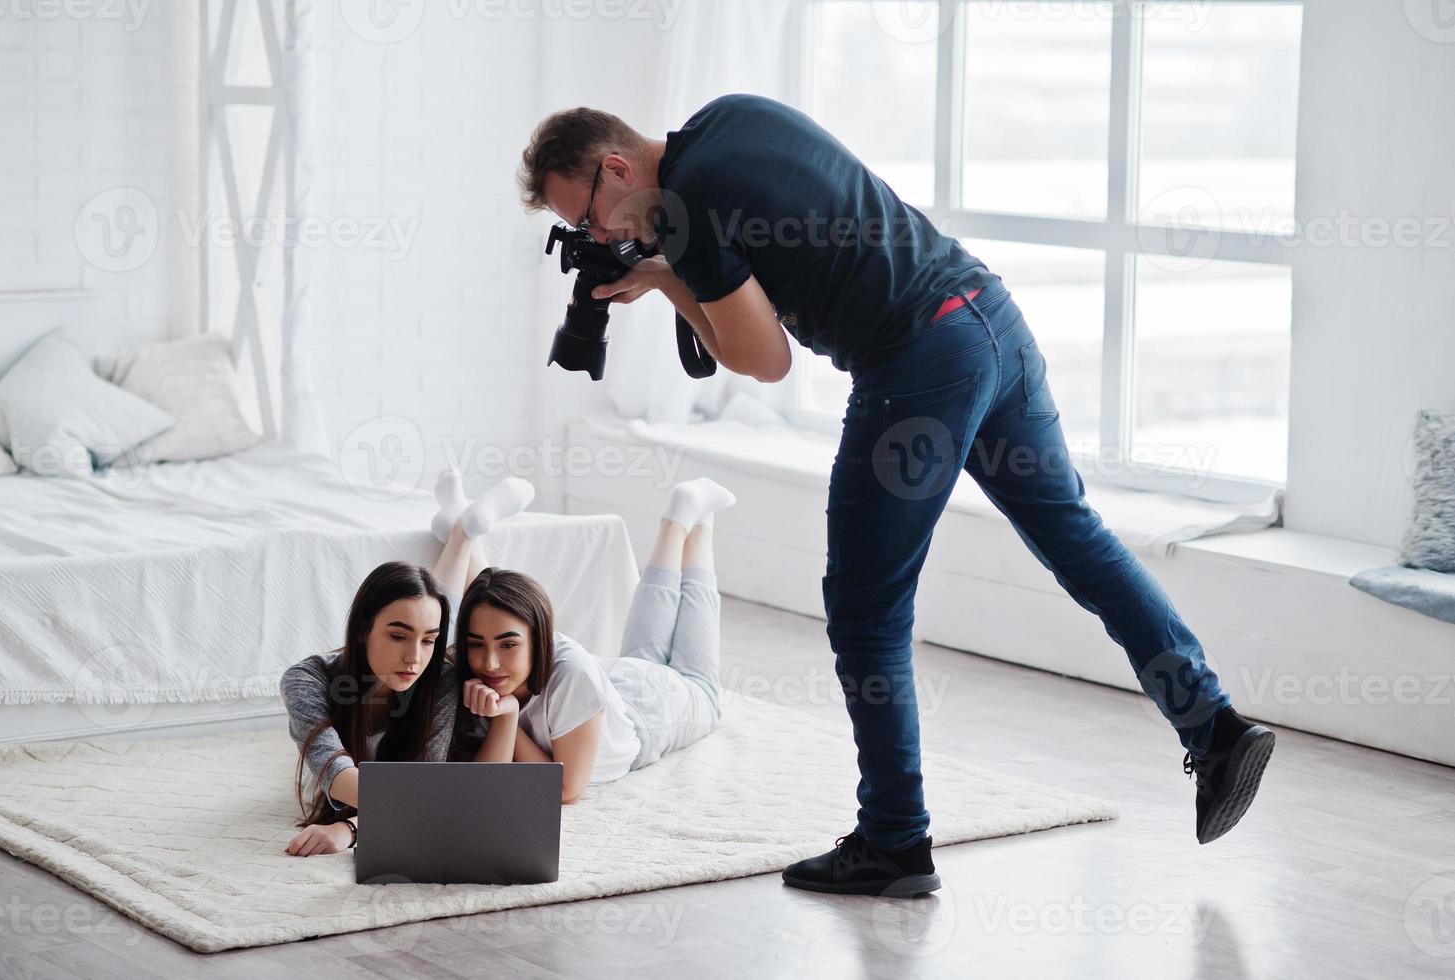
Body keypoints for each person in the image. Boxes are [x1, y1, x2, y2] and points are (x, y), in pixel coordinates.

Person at [514, 93, 1276, 897]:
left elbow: (762, 360)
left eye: (592, 217)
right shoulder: (727, 119)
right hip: (986, 317)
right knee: (1076, 540)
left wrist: (670, 282)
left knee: (865, 609)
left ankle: (893, 840)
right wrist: (677, 265)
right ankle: (1213, 724)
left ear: (615, 167)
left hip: (917, 361)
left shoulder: (683, 211)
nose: (602, 239)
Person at [428, 471, 733, 801]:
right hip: (619, 685)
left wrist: (508, 717)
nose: (489, 662)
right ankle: (463, 532)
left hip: (653, 712)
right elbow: (456, 620)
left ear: (539, 638)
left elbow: (565, 789)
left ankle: (698, 526)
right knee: (645, 653)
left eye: (508, 645)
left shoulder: (573, 674)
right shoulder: (485, 649)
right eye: (476, 644)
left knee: (703, 687)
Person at [280, 561, 458, 856]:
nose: (414, 657)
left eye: (428, 640)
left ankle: (463, 537)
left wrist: (350, 829)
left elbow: (425, 788)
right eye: (398, 636)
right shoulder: (306, 680)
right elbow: (336, 774)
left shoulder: (443, 681)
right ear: (363, 629)